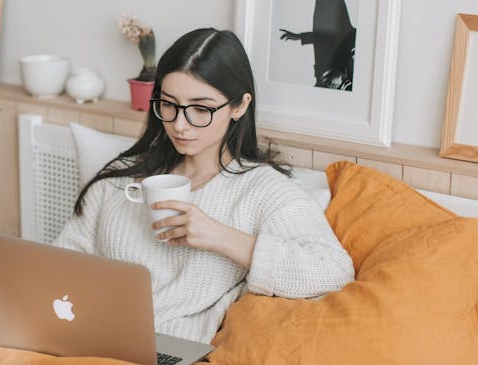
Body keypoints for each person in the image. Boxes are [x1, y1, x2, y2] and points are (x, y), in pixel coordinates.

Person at [52, 28, 355, 344]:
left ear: (239, 106)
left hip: (165, 348)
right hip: (86, 336)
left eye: (201, 109)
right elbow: (60, 263)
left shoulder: (263, 191)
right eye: (169, 104)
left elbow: (333, 272)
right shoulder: (120, 177)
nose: (180, 125)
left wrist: (220, 237)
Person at [279, 0, 356, 90]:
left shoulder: (356, 40)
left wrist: (342, 80)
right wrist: (300, 37)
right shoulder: (341, 33)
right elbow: (325, 36)